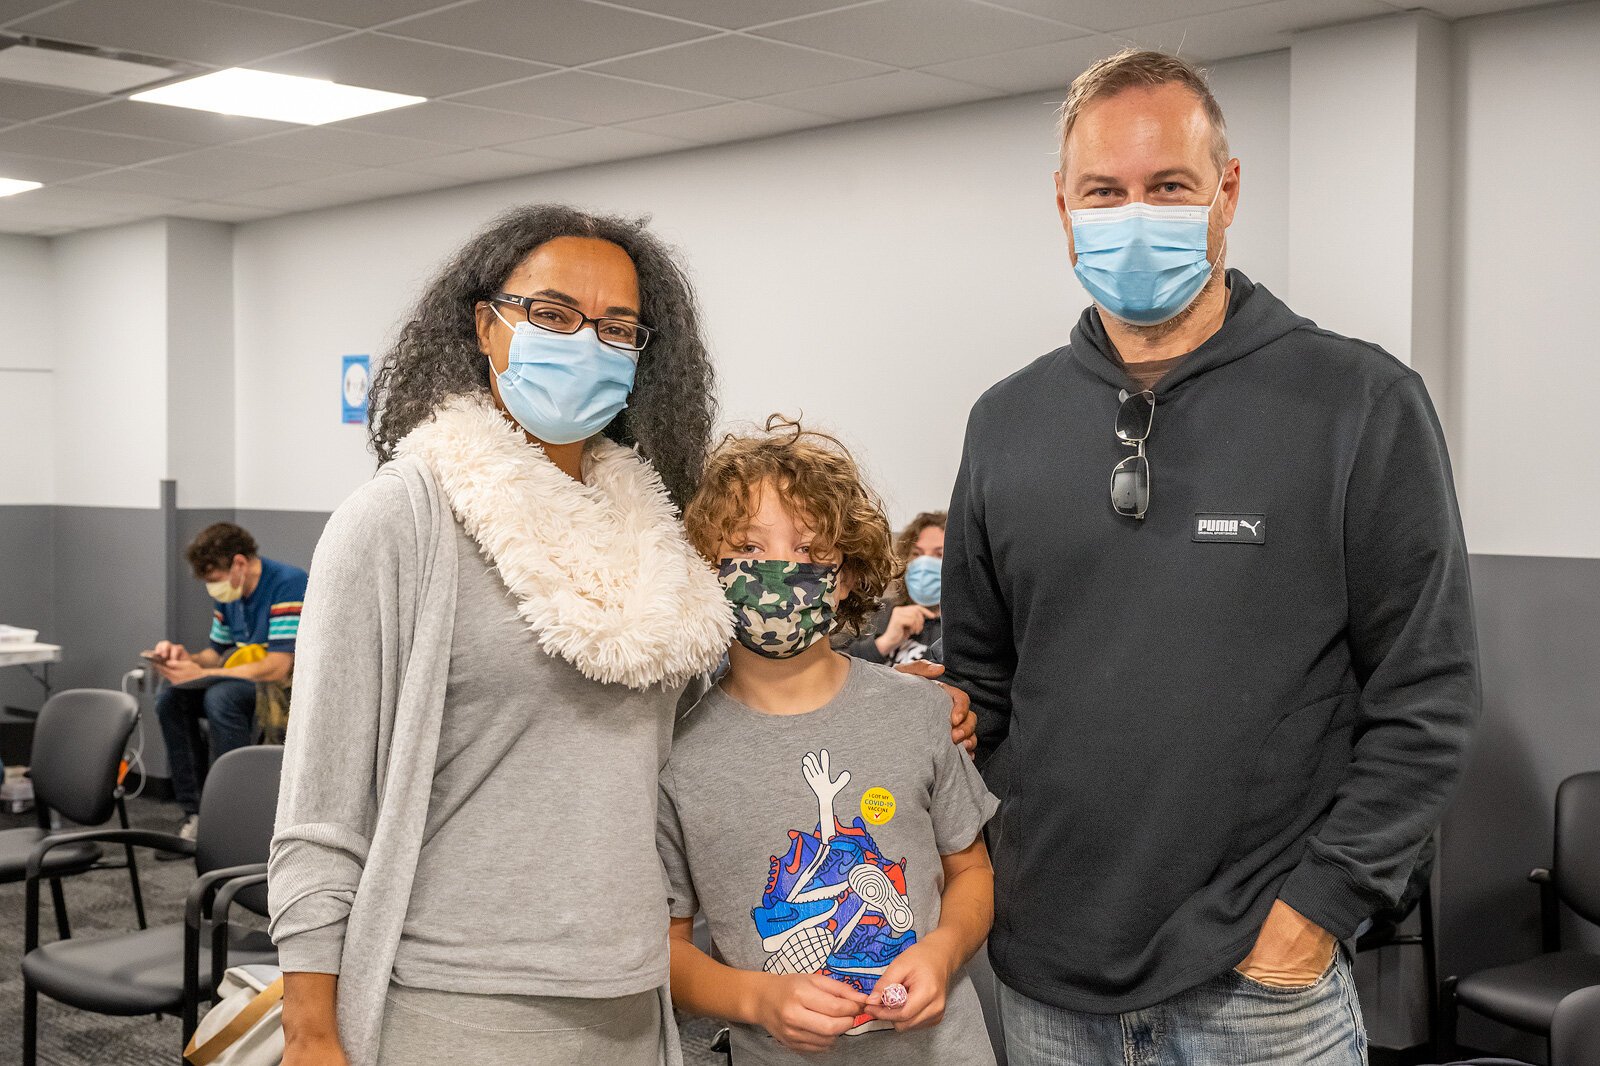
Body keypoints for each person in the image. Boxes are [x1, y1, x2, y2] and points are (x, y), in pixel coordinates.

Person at [267, 206, 976, 1066]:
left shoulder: (652, 539)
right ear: (485, 325)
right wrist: (310, 1030)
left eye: (618, 327)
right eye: (552, 314)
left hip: (631, 996)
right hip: (459, 995)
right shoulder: (397, 523)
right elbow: (319, 816)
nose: (584, 343)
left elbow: (757, 687)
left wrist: (915, 700)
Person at [942, 50, 1480, 1066]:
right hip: (1049, 982)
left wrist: (1317, 909)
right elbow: (981, 689)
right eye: (1103, 190)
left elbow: (1428, 700)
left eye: (1168, 187)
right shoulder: (1004, 422)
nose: (1131, 213)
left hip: (1259, 988)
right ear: (1061, 205)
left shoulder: (1357, 403)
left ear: (1225, 193)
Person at [661, 418, 998, 1065]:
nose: (781, 573)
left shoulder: (920, 712)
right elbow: (666, 950)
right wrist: (758, 1000)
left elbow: (971, 870)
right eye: (749, 550)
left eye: (811, 553)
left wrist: (941, 948)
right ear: (707, 567)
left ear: (844, 576)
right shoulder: (677, 758)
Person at [144, 522, 304, 842]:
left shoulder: (288, 585)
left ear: (239, 564)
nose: (213, 589)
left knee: (221, 698)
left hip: (286, 685)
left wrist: (204, 675)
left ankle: (235, 808)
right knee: (171, 699)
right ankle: (198, 811)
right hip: (249, 677)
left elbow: (277, 667)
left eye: (214, 580)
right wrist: (183, 658)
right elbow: (214, 654)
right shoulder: (231, 593)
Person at [844, 511, 945, 665]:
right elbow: (835, 666)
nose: (925, 563)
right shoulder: (877, 610)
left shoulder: (965, 628)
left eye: (939, 554)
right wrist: (884, 643)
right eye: (917, 554)